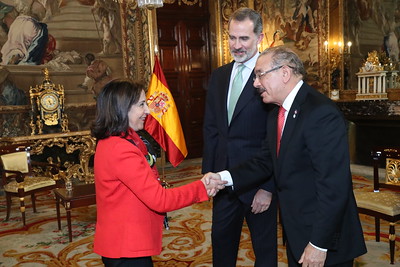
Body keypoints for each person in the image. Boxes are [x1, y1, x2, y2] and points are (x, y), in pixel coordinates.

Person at [204, 46, 367, 267]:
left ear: (285, 73)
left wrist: (319, 244)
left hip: (325, 239)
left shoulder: (320, 113)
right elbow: (264, 161)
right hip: (296, 231)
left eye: (260, 74)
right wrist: (223, 177)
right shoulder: (276, 114)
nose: (255, 83)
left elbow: (334, 186)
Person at [91, 79, 226, 267]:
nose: (147, 110)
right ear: (122, 108)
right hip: (126, 247)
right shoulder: (120, 149)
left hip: (126, 241)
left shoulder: (122, 139)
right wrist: (201, 187)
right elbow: (160, 199)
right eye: (141, 104)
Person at [202, 7, 277, 267]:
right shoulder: (219, 76)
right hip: (223, 184)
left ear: (259, 37)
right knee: (221, 251)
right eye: (232, 38)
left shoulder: (272, 76)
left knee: (265, 254)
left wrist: (268, 188)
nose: (237, 45)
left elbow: (277, 138)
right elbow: (211, 129)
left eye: (243, 38)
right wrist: (210, 176)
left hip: (258, 184)